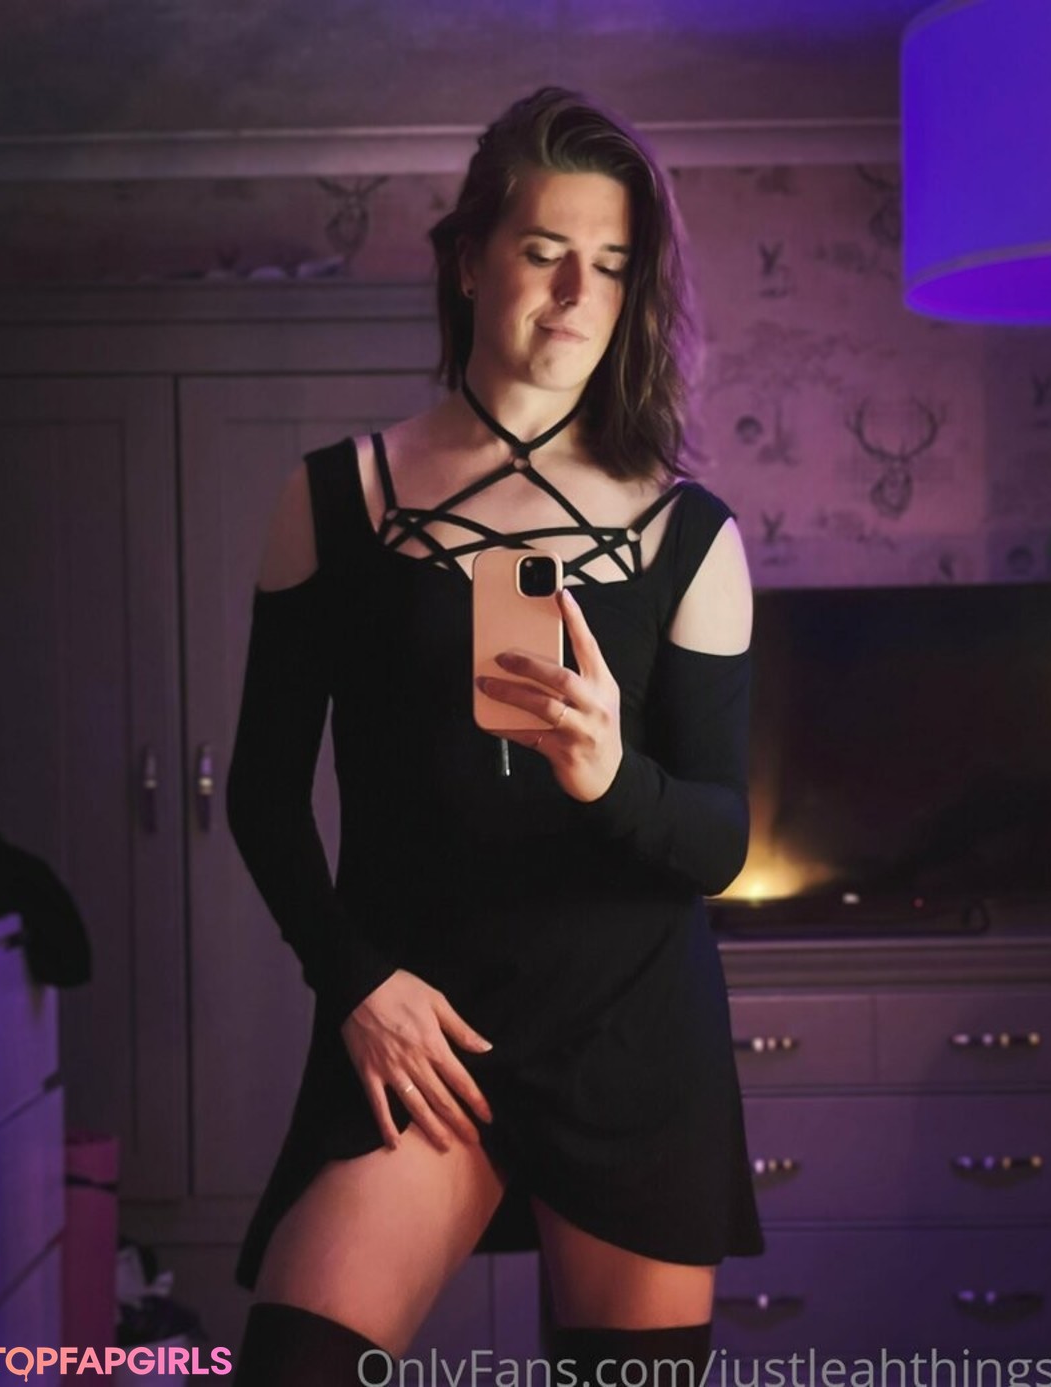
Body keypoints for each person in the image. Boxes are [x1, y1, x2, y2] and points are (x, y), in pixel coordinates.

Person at [226, 85, 764, 1386]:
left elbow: (718, 843)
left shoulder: (688, 535)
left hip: (632, 1040)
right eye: (545, 250)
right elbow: (261, 794)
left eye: (612, 265)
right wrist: (354, 982)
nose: (578, 293)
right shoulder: (334, 500)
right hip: (422, 1032)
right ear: (469, 261)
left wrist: (610, 776)